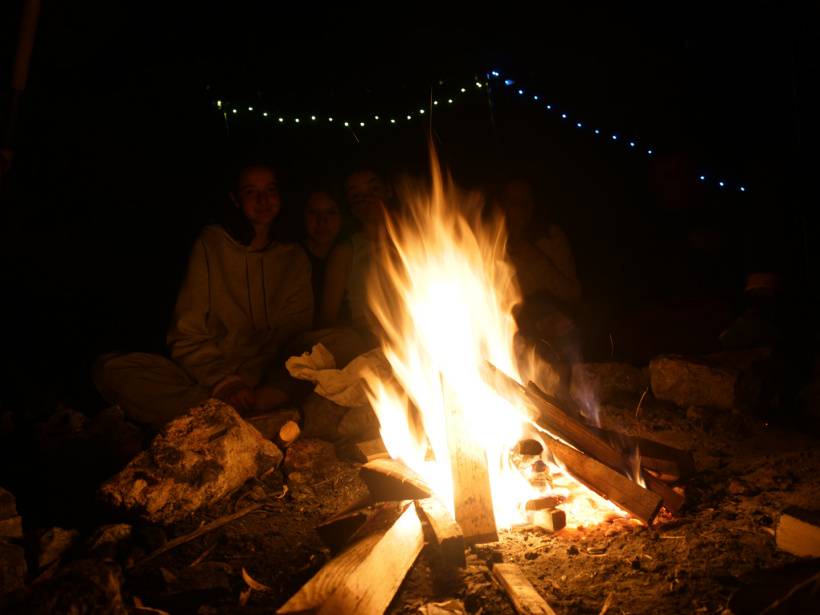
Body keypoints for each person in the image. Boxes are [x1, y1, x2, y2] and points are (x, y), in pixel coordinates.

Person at [93, 159, 313, 428]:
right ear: (234, 198)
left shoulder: (294, 257)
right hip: (211, 376)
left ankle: (232, 409)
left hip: (268, 375)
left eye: (270, 189)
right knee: (109, 369)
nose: (263, 199)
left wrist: (250, 375)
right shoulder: (211, 244)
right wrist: (226, 383)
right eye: (250, 191)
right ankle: (233, 407)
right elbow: (187, 334)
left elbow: (292, 330)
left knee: (335, 343)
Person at [317, 164, 395, 351]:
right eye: (356, 195)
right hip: (368, 339)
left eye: (374, 189)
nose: (367, 199)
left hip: (418, 333)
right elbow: (327, 320)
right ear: (350, 205)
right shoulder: (345, 251)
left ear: (388, 189)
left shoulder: (422, 242)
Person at [494, 176, 581, 341]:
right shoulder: (489, 243)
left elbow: (572, 294)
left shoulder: (551, 236)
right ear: (500, 205)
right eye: (514, 202)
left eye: (527, 200)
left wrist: (536, 260)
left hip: (554, 318)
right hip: (515, 328)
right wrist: (535, 327)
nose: (523, 208)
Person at [300, 187, 343, 324]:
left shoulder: (351, 258)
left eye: (331, 213)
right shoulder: (291, 261)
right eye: (313, 212)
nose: (321, 221)